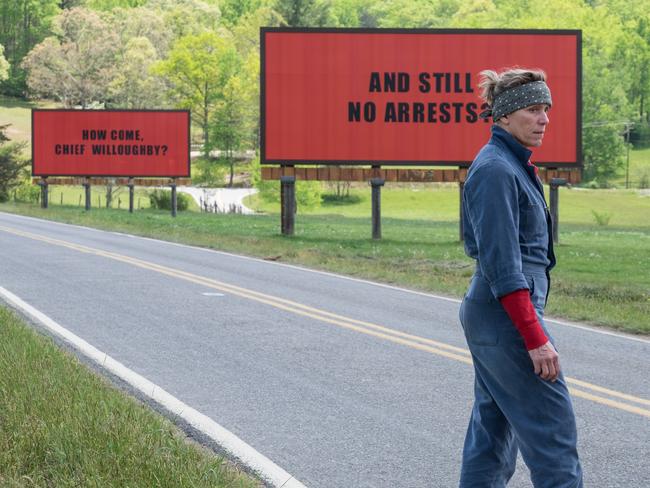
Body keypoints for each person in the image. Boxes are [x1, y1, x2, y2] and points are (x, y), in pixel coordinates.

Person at [458, 68, 583, 488]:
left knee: (492, 434)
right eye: (533, 109)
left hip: (497, 314)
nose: (544, 119)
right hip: (504, 315)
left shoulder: (510, 164)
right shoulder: (496, 170)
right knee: (553, 434)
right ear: (505, 116)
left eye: (546, 109)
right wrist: (534, 336)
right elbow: (502, 265)